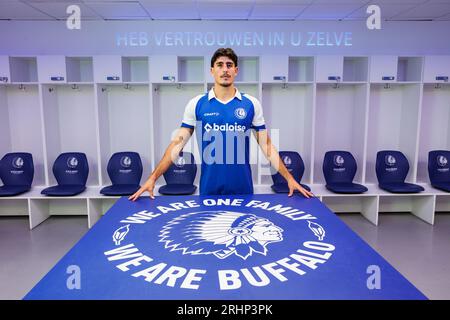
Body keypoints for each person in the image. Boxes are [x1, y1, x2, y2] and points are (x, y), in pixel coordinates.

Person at [129, 48, 313, 200]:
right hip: (209, 188)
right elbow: (177, 145)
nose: (225, 69)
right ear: (212, 70)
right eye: (220, 65)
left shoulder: (250, 104)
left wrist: (289, 178)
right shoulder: (197, 104)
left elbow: (266, 145)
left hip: (242, 188)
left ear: (236, 70)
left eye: (229, 65)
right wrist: (153, 177)